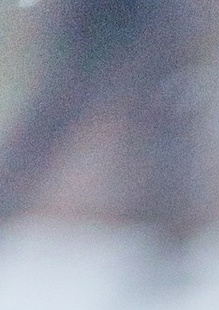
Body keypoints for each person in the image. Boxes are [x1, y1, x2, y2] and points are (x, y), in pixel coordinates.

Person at [0, 0, 202, 263]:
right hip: (98, 15)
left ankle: (172, 240)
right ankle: (172, 238)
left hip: (151, 15)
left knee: (161, 116)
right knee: (58, 111)